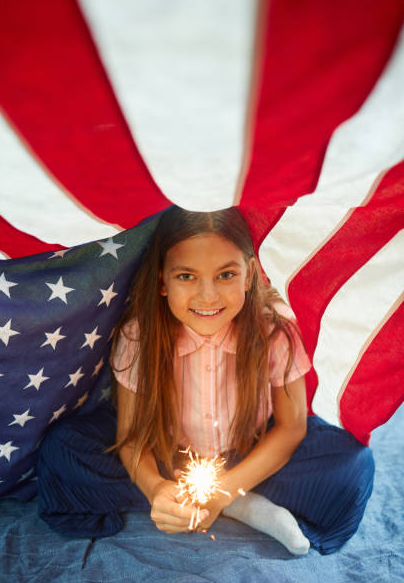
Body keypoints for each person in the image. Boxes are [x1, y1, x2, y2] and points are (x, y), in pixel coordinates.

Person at [38, 207, 375, 556]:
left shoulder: (275, 330)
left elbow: (291, 428)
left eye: (226, 275)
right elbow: (131, 436)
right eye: (186, 276)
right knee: (64, 451)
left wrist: (225, 488)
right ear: (162, 282)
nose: (208, 296)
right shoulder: (139, 336)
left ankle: (233, 500)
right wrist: (155, 488)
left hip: (251, 455)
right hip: (168, 454)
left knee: (352, 466)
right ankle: (222, 505)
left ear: (250, 275)